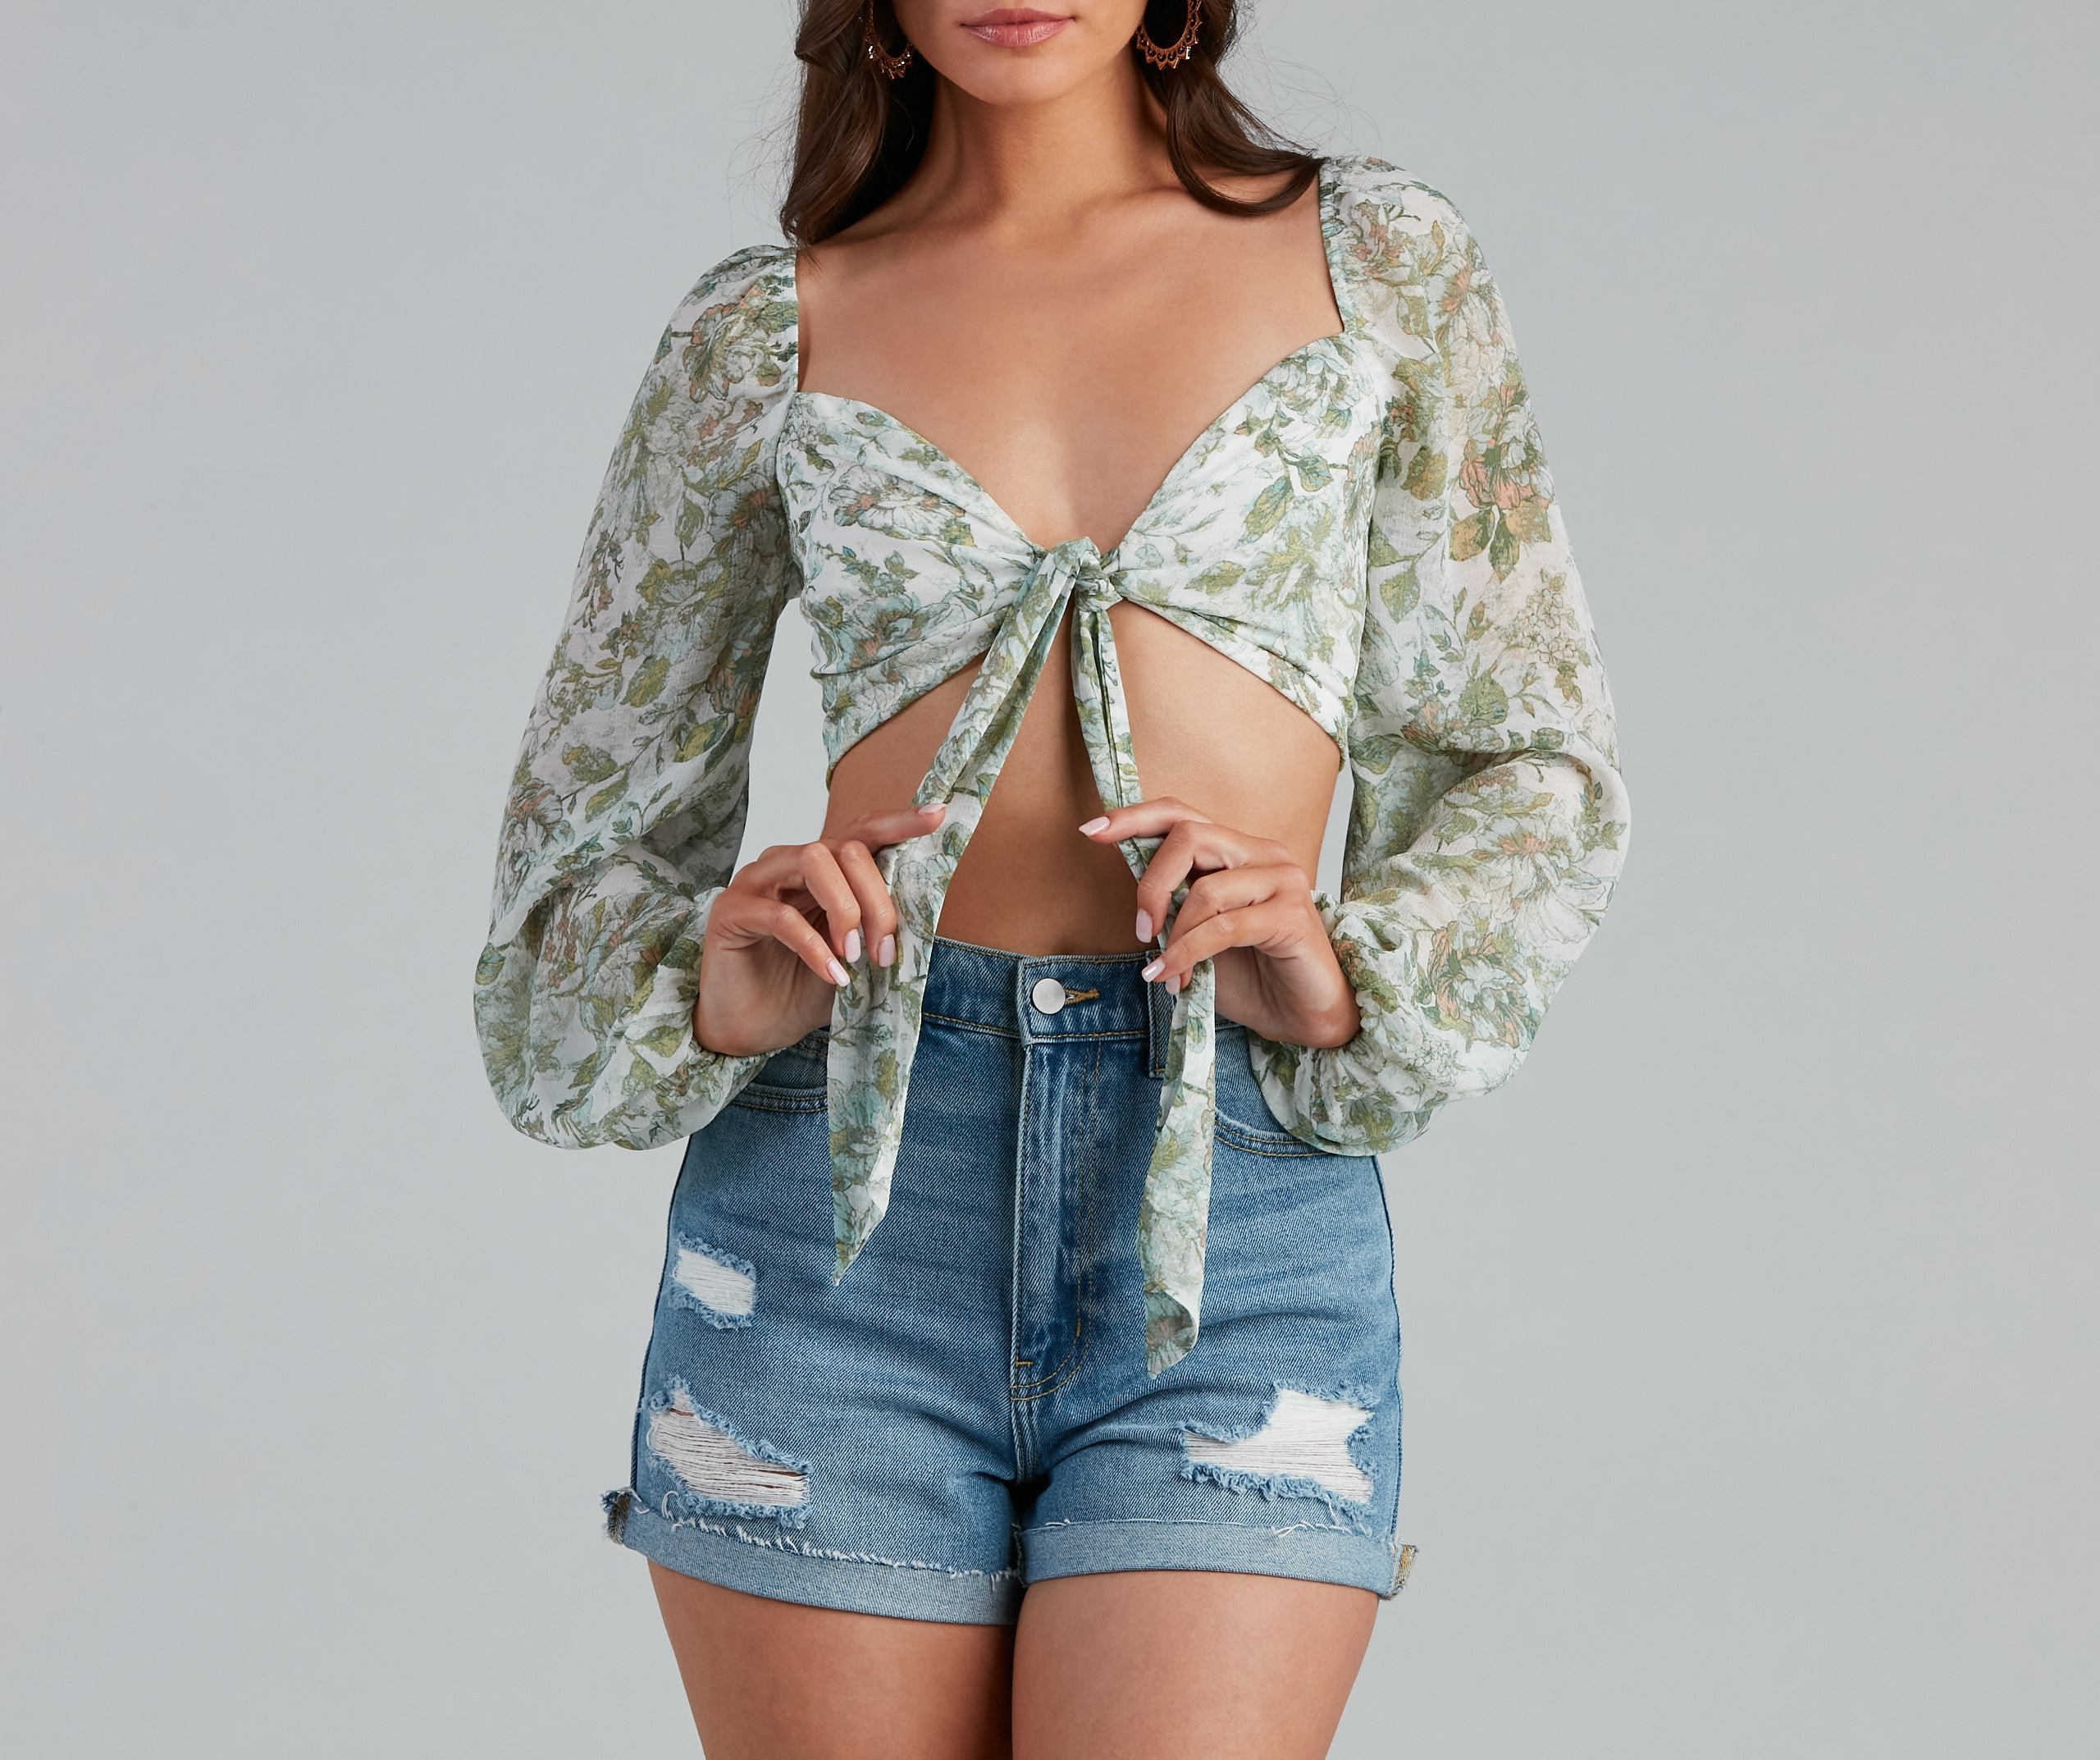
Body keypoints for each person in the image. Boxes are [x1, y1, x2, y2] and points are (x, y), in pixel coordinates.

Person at [471, 1, 1631, 1752]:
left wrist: (1356, 975)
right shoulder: (763, 328)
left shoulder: (1377, 265)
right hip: (840, 1205)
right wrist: (701, 973)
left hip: (1234, 1192)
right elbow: (584, 816)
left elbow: (1523, 746)